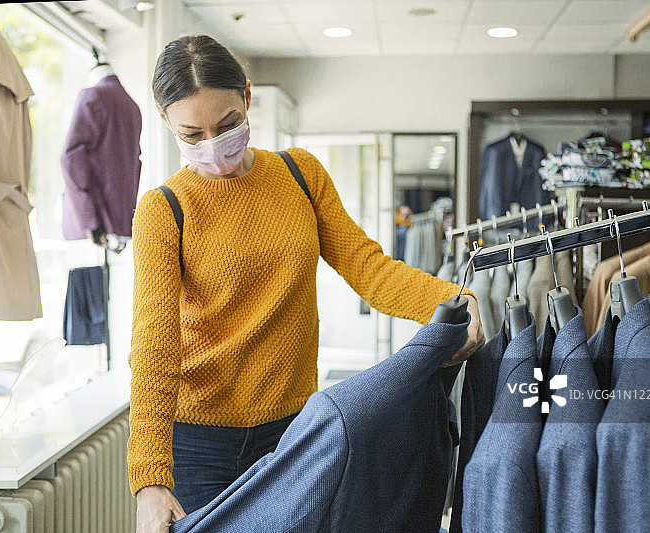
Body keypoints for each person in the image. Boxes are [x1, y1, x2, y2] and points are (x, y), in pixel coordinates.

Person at [129, 34, 485, 533]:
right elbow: (154, 346)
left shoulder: (300, 174)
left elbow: (368, 267)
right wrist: (149, 479)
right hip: (198, 442)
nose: (213, 145)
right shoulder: (163, 210)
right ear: (167, 123)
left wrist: (451, 301)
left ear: (248, 98)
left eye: (228, 125)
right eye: (192, 134)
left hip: (294, 431)